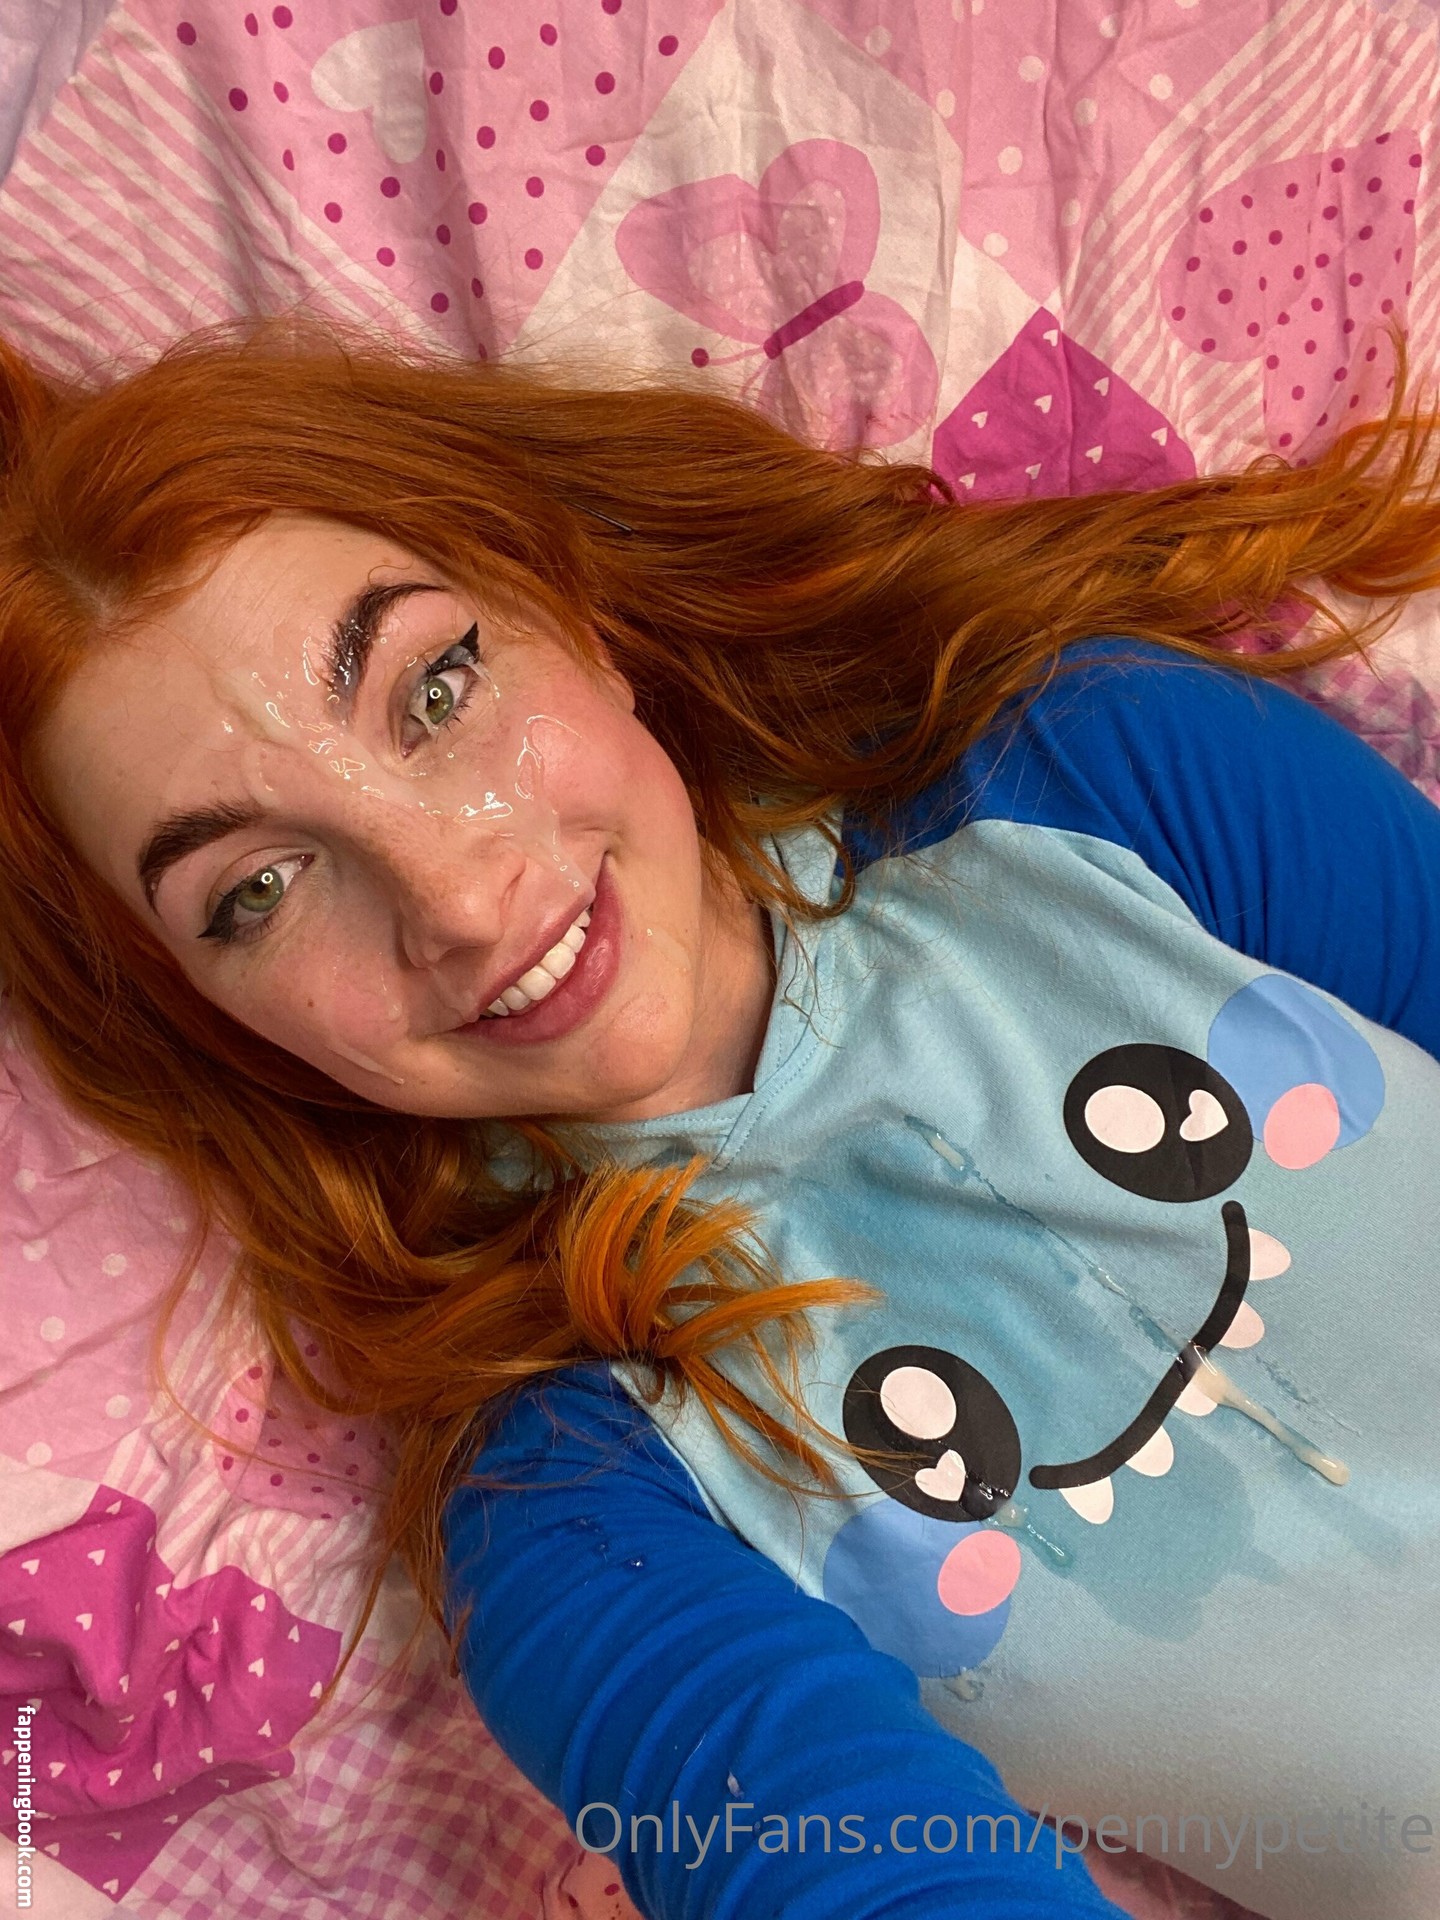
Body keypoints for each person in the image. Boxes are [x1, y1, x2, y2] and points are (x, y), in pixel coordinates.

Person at [1, 316, 1438, 1920]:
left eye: (434, 691)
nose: (460, 898)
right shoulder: (567, 1511)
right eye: (258, 890)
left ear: (571, 615)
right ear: (216, 1019)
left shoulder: (1100, 759)